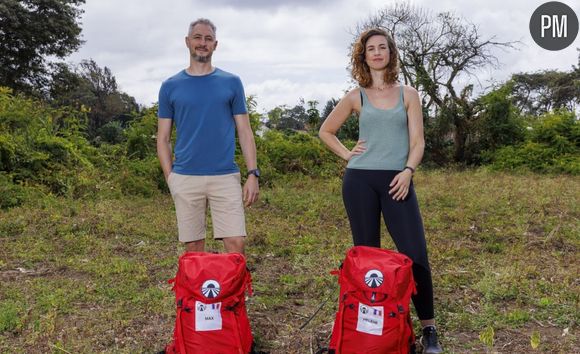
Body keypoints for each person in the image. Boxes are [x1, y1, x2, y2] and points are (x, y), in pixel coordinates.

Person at [319, 28, 443, 354]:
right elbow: (326, 131)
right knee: (367, 258)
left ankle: (429, 329)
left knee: (415, 254)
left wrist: (408, 171)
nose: (376, 53)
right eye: (370, 48)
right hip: (359, 181)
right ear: (364, 56)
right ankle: (369, 327)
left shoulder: (408, 94)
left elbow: (418, 142)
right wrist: (348, 154)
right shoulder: (355, 96)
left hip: (397, 181)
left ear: (390, 53)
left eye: (382, 47)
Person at [157, 18, 259, 254]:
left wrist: (253, 173)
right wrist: (170, 177)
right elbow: (163, 138)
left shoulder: (231, 82)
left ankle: (236, 292)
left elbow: (244, 131)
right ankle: (196, 293)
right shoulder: (170, 86)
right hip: (185, 177)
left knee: (236, 244)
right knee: (193, 248)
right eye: (198, 37)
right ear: (187, 42)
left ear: (215, 45)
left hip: (225, 176)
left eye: (208, 39)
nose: (203, 43)